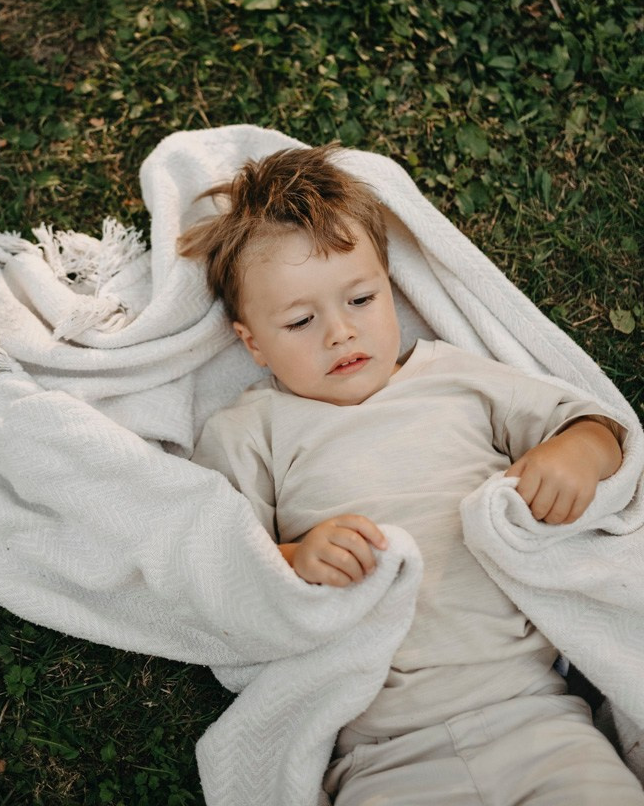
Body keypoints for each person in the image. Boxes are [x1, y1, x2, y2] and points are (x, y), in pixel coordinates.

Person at [179, 143, 644, 806]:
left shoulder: (454, 378)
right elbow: (219, 566)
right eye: (301, 321)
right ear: (251, 341)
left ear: (392, 290)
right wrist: (294, 559)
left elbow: (598, 430)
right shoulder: (250, 431)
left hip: (538, 718)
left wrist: (575, 453)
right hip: (382, 754)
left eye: (362, 299)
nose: (341, 333)